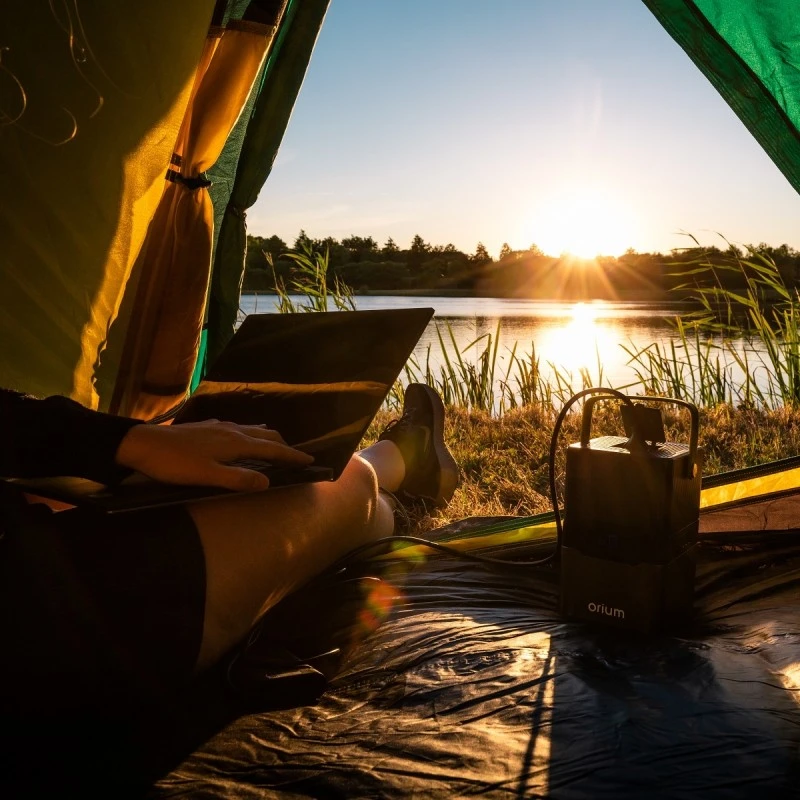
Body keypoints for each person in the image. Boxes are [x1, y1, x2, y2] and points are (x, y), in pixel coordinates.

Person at [0, 382, 459, 714]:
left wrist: (123, 445)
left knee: (122, 489)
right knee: (339, 486)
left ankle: (393, 474)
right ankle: (403, 462)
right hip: (44, 617)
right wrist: (122, 442)